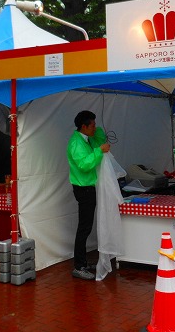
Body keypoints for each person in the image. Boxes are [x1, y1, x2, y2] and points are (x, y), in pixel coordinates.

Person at [66, 110, 110, 280]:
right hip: (83, 189)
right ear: (83, 127)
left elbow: (100, 137)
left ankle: (82, 262)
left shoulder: (86, 138)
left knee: (86, 226)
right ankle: (79, 266)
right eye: (92, 125)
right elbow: (84, 165)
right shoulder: (76, 143)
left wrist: (98, 143)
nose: (95, 128)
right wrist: (99, 151)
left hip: (89, 187)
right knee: (84, 228)